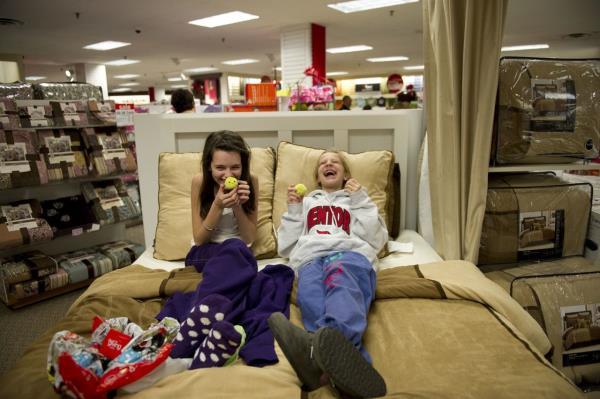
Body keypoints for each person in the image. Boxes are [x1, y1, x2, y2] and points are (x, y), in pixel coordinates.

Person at [156, 130, 294, 370]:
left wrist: (239, 207)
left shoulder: (251, 181)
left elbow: (250, 237)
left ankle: (197, 326)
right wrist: (218, 205)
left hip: (239, 254)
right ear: (209, 166)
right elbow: (199, 238)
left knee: (248, 259)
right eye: (220, 167)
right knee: (236, 251)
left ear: (243, 165)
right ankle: (199, 323)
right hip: (205, 253)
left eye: (235, 168)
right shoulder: (199, 182)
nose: (228, 174)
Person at [268, 150, 388, 398]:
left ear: (345, 174)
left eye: (335, 161)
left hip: (347, 254)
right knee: (312, 299)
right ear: (318, 177)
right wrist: (293, 209)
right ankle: (349, 369)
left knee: (341, 285)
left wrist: (361, 200)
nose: (329, 163)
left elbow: (375, 239)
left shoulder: (355, 199)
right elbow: (286, 247)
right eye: (323, 162)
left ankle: (314, 357)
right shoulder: (307, 202)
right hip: (310, 259)